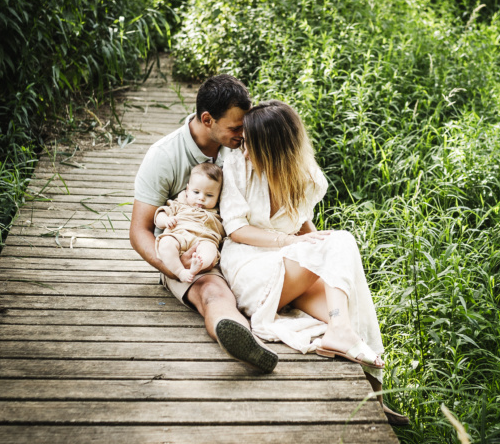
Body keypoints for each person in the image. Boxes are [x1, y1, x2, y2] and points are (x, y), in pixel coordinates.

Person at [219, 100, 409, 425]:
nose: (244, 150)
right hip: (250, 267)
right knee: (342, 243)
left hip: (287, 267)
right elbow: (236, 229)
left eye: (251, 144)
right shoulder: (236, 164)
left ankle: (375, 394)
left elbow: (303, 222)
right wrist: (296, 243)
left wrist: (327, 253)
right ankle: (343, 336)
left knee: (349, 299)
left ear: (272, 148)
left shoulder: (306, 177)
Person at [130, 74, 278, 374]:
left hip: (244, 244)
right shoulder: (164, 155)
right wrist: (177, 265)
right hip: (190, 253)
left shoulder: (241, 145)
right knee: (213, 292)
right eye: (235, 128)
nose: (242, 134)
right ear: (208, 119)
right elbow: (139, 231)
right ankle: (245, 342)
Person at [154, 163, 225, 283]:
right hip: (178, 236)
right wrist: (166, 220)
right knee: (165, 243)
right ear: (187, 190)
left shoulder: (218, 212)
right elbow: (159, 215)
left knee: (210, 250)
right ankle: (180, 271)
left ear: (218, 197)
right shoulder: (180, 204)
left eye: (209, 195)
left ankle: (198, 265)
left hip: (204, 240)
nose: (201, 198)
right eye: (196, 192)